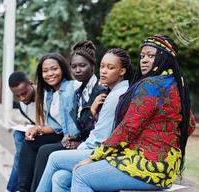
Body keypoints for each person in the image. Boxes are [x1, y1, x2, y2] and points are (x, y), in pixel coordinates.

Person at [71, 35, 196, 192]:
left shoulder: (151, 85)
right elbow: (190, 124)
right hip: (166, 169)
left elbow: (128, 128)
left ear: (164, 58)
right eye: (142, 56)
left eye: (151, 56)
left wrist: (93, 157)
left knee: (81, 175)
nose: (143, 60)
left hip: (146, 166)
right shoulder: (174, 84)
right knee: (64, 176)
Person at [36, 48, 132, 192]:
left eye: (110, 68)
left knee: (54, 158)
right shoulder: (109, 92)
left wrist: (79, 147)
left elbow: (100, 137)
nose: (104, 71)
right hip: (98, 148)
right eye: (103, 66)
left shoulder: (115, 96)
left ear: (122, 71)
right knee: (60, 177)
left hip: (106, 153)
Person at [30, 40, 107, 191]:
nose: (77, 70)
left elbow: (98, 129)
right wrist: (75, 138)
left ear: (92, 65)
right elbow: (80, 125)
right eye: (74, 66)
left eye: (82, 65)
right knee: (58, 177)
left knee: (50, 155)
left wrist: (78, 140)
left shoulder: (100, 90)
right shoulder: (79, 92)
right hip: (81, 143)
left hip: (95, 149)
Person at [17, 53, 80, 192]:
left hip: (74, 139)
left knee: (45, 151)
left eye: (54, 69)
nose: (50, 74)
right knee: (29, 141)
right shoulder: (50, 94)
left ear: (62, 69)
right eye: (45, 71)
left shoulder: (72, 86)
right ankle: (22, 189)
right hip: (61, 135)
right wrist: (37, 129)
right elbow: (57, 127)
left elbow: (91, 86)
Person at [7, 71, 36, 192]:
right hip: (37, 131)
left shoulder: (45, 95)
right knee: (18, 135)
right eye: (17, 96)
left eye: (24, 93)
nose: (22, 98)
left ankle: (12, 189)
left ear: (31, 84)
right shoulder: (22, 105)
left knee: (21, 151)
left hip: (52, 133)